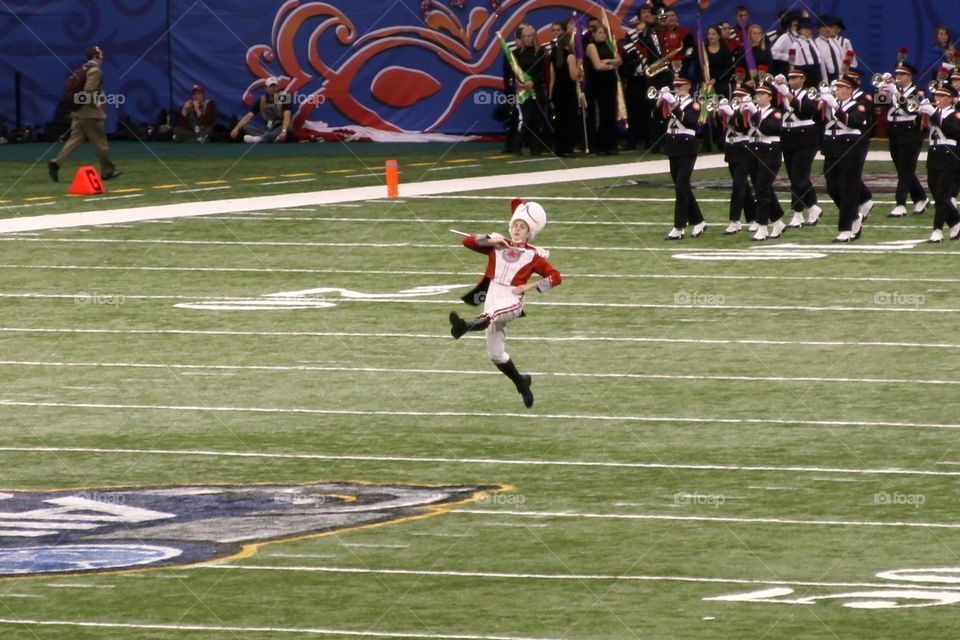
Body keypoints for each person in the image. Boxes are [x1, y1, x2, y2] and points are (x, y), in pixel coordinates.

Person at [448, 200, 562, 408]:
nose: (517, 229)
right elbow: (467, 243)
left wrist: (531, 286)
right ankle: (521, 382)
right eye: (515, 225)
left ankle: (464, 326)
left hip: (512, 298)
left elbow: (556, 277)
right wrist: (489, 238)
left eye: (523, 227)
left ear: (529, 232)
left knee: (492, 313)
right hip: (492, 293)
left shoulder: (534, 256)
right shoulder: (497, 246)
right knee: (495, 354)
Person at [48, 45, 121, 182]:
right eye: (101, 53)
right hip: (90, 114)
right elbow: (89, 91)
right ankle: (108, 170)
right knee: (101, 143)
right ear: (96, 55)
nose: (103, 56)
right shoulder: (95, 71)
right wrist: (97, 103)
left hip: (78, 113)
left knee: (74, 141)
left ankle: (56, 163)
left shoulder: (83, 69)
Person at [819, 74, 870, 242]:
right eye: (837, 87)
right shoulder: (831, 106)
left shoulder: (858, 106)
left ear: (849, 89)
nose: (837, 90)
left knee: (849, 188)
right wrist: (822, 105)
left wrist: (835, 106)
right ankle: (854, 216)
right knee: (832, 187)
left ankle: (846, 230)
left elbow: (854, 122)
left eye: (840, 87)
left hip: (850, 150)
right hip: (831, 149)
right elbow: (816, 121)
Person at [658, 75, 706, 240]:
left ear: (688, 86)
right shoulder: (672, 103)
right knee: (682, 187)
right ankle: (699, 221)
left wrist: (673, 104)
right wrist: (661, 101)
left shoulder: (694, 103)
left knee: (681, 186)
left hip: (687, 147)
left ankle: (679, 227)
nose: (677, 88)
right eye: (675, 85)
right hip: (673, 146)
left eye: (680, 85)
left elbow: (690, 122)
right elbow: (657, 117)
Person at [879, 62, 928, 217]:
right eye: (897, 75)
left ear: (909, 76)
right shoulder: (895, 90)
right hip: (894, 131)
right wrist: (882, 91)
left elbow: (910, 108)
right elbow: (879, 103)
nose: (898, 78)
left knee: (906, 168)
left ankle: (900, 204)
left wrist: (897, 94)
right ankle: (920, 197)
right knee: (902, 168)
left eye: (901, 75)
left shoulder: (917, 92)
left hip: (910, 132)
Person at [778, 68, 823, 227]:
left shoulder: (810, 93)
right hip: (788, 135)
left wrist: (787, 94)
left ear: (803, 78)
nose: (791, 81)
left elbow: (805, 111)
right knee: (796, 176)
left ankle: (797, 214)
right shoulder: (784, 93)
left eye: (794, 78)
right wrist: (778, 88)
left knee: (798, 177)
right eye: (789, 78)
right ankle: (813, 207)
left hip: (805, 136)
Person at [742, 82, 786, 240]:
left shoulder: (776, 113)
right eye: (757, 94)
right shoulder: (754, 112)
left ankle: (762, 226)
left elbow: (769, 129)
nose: (758, 97)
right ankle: (777, 221)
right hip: (754, 152)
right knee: (763, 188)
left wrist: (754, 113)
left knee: (762, 189)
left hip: (769, 153)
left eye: (762, 94)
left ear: (770, 97)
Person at [918, 85, 960, 242]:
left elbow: (952, 130)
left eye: (942, 96)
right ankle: (956, 222)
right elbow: (920, 129)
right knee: (937, 195)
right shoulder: (935, 114)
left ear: (950, 99)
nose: (938, 99)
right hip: (934, 157)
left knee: (943, 196)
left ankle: (937, 230)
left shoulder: (955, 114)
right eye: (936, 96)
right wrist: (921, 114)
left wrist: (933, 114)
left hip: (949, 158)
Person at [504, 24, 550, 155]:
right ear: (521, 38)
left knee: (537, 119)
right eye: (524, 37)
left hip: (537, 90)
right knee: (524, 118)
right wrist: (520, 83)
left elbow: (543, 72)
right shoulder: (516, 54)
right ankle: (516, 146)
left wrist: (534, 81)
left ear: (534, 37)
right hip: (522, 91)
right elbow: (513, 73)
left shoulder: (541, 52)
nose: (527, 39)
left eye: (529, 36)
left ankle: (535, 148)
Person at [716, 85, 757, 234]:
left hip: (745, 148)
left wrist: (732, 113)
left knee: (738, 185)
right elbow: (721, 127)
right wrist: (719, 113)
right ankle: (753, 218)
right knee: (743, 187)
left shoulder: (750, 110)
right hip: (732, 149)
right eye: (736, 96)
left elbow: (742, 127)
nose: (737, 99)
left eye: (740, 97)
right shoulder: (734, 110)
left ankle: (734, 220)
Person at [585, 23, 622, 155]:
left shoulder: (609, 44)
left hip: (609, 82)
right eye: (600, 33)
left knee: (610, 111)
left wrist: (608, 61)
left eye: (604, 33)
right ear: (594, 34)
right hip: (596, 83)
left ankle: (611, 144)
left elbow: (619, 60)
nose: (602, 35)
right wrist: (612, 65)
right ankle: (598, 145)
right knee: (599, 114)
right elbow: (598, 66)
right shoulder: (591, 46)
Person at [230, 76, 292, 143]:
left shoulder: (283, 97)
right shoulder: (262, 99)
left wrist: (283, 131)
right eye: (270, 86)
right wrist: (236, 128)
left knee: (289, 127)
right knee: (244, 125)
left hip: (280, 126)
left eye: (275, 86)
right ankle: (272, 138)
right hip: (267, 127)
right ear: (266, 88)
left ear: (277, 87)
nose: (273, 88)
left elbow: (287, 116)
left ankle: (260, 139)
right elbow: (249, 115)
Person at [550, 27, 580, 157]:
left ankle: (559, 148)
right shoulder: (571, 56)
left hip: (557, 91)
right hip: (568, 92)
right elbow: (574, 76)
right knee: (569, 121)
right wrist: (579, 64)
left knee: (560, 122)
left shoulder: (555, 58)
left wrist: (550, 97)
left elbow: (552, 79)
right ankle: (568, 148)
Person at [815, 16, 855, 83]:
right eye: (824, 27)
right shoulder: (816, 44)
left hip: (840, 75)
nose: (827, 29)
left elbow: (842, 58)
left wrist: (844, 74)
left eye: (829, 27)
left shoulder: (835, 41)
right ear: (819, 29)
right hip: (828, 77)